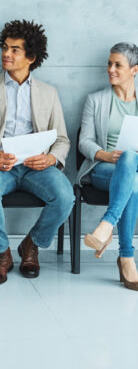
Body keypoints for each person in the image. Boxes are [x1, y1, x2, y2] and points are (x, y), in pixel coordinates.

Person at [0, 20, 74, 286]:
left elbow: (62, 139)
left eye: (15, 50)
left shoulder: (49, 93)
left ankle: (31, 245)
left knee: (65, 196)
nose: (6, 54)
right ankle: (2, 254)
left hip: (37, 166)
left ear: (31, 57)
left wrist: (51, 158)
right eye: (5, 48)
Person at [78, 42, 138, 291]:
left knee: (132, 162)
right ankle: (126, 256)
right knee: (129, 168)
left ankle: (106, 227)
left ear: (134, 70)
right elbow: (84, 142)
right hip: (103, 168)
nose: (111, 69)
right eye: (109, 64)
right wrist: (104, 154)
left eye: (118, 65)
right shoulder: (96, 100)